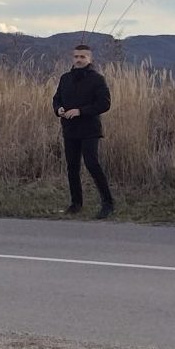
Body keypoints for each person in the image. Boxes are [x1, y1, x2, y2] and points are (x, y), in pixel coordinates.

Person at [52, 44, 114, 219]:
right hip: (69, 129)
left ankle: (108, 203)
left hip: (89, 129)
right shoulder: (65, 78)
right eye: (76, 56)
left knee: (92, 164)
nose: (79, 60)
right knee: (72, 167)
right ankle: (76, 204)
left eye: (82, 57)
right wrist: (58, 109)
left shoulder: (97, 79)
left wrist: (80, 111)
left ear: (89, 59)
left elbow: (104, 104)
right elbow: (56, 99)